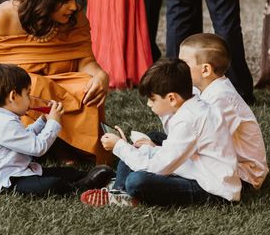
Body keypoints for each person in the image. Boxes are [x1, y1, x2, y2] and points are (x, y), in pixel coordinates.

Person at [0, 0, 112, 164]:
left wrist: (101, 75)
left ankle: (70, 146)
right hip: (16, 89)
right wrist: (33, 83)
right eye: (65, 1)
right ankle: (53, 146)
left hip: (62, 83)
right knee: (30, 85)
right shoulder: (2, 18)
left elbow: (85, 61)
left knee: (87, 86)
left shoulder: (76, 18)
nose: (74, 6)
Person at [81, 58, 240, 207]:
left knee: (137, 181)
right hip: (196, 168)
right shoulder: (193, 107)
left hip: (212, 189)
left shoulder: (187, 120)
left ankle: (120, 190)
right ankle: (118, 191)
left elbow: (158, 168)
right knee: (139, 149)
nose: (149, 104)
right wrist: (141, 149)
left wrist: (120, 147)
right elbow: (174, 154)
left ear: (172, 99)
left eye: (153, 99)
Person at [0, 63, 113, 196]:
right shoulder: (2, 124)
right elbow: (37, 147)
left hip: (19, 171)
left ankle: (102, 178)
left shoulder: (0, 117)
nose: (30, 99)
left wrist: (43, 120)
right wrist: (53, 122)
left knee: (67, 172)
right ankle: (80, 187)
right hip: (7, 181)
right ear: (13, 96)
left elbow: (26, 137)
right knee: (52, 184)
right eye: (27, 94)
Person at [179, 33, 268, 189]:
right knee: (152, 140)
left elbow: (201, 144)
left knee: (141, 179)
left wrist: (162, 152)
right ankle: (124, 185)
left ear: (205, 70)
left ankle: (131, 186)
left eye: (183, 64)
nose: (178, 68)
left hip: (241, 175)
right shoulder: (203, 88)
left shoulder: (221, 98)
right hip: (213, 160)